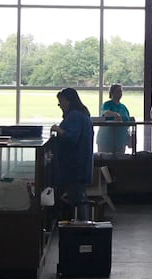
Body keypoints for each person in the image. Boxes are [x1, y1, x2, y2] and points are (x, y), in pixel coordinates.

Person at [52, 87, 94, 219]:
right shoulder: (83, 114)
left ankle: (80, 226)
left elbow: (71, 137)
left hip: (74, 164)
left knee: (77, 198)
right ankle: (82, 224)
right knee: (79, 196)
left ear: (68, 101)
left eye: (61, 102)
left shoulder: (74, 116)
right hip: (81, 163)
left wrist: (58, 129)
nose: (60, 106)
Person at [97, 84, 133, 155]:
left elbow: (127, 121)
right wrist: (115, 114)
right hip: (107, 139)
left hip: (121, 140)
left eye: (121, 92)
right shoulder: (107, 104)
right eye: (117, 91)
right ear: (112, 93)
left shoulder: (123, 107)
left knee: (119, 162)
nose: (119, 94)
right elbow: (105, 113)